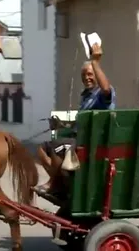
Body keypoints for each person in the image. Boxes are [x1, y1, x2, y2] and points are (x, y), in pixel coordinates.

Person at [33, 43, 116, 196]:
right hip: (81, 138)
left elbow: (106, 89)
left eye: (90, 74)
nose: (87, 78)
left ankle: (54, 184)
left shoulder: (102, 95)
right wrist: (61, 124)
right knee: (42, 148)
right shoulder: (86, 96)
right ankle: (60, 180)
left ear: (97, 75)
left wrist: (95, 63)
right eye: (84, 75)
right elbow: (80, 123)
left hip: (93, 142)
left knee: (58, 146)